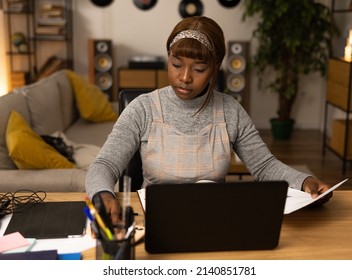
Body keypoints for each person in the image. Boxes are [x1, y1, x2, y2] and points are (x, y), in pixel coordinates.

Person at [85, 16, 331, 225]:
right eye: (176, 64)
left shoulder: (230, 111)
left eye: (199, 69)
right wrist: (103, 194)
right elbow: (104, 165)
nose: (184, 77)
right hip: (156, 221)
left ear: (215, 67)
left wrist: (305, 181)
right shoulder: (143, 108)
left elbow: (264, 167)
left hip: (215, 220)